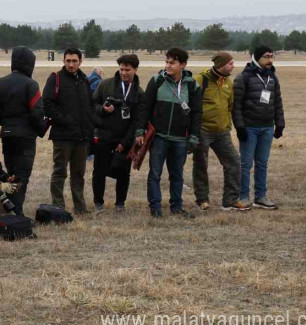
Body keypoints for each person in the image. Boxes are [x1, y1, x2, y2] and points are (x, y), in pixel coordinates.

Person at [134, 48, 203, 218]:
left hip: (181, 139)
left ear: (183, 65)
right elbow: (145, 107)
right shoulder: (157, 80)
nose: (168, 65)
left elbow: (197, 113)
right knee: (155, 173)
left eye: (172, 63)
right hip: (159, 137)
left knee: (177, 175)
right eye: (167, 62)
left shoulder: (193, 86)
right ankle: (155, 208)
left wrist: (194, 136)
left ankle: (176, 206)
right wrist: (140, 130)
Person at [0, 46, 44, 216]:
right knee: (21, 176)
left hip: (7, 136)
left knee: (11, 175)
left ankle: (10, 210)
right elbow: (37, 112)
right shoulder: (31, 84)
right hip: (25, 137)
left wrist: (7, 122)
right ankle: (16, 214)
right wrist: (40, 129)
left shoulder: (0, 82)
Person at [192, 52, 249, 211]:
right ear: (221, 64)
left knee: (234, 162)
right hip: (202, 131)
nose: (233, 66)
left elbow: (230, 106)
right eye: (230, 63)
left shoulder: (228, 83)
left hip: (222, 132)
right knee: (201, 165)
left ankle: (230, 200)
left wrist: (228, 126)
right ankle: (202, 199)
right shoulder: (199, 80)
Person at [42, 47, 96, 214]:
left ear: (81, 61)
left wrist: (90, 128)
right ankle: (58, 207)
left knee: (78, 174)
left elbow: (89, 105)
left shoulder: (84, 80)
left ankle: (80, 207)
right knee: (60, 171)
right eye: (68, 61)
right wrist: (64, 120)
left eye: (74, 61)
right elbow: (47, 103)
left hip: (81, 136)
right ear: (63, 61)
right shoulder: (55, 78)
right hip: (63, 135)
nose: (71, 64)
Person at [233, 45, 285, 210]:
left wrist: (280, 123)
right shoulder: (243, 77)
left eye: (271, 56)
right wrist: (240, 127)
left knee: (262, 163)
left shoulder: (273, 78)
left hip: (267, 128)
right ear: (256, 58)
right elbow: (236, 106)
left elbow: (278, 102)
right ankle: (243, 196)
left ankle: (260, 197)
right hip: (249, 128)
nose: (270, 60)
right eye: (266, 57)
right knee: (246, 164)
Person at [91, 54, 143, 212]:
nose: (124, 73)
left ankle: (120, 203)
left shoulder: (139, 93)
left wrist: (125, 142)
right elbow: (92, 105)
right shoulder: (105, 85)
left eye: (127, 70)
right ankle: (98, 203)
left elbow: (137, 120)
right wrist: (103, 110)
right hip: (103, 137)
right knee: (99, 171)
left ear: (135, 70)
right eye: (121, 69)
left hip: (124, 139)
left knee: (123, 172)